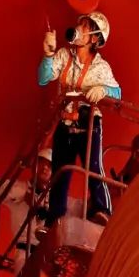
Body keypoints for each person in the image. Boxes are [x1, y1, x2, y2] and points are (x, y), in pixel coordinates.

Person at [38, 12, 120, 225]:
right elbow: (43, 79)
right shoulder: (64, 56)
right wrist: (48, 55)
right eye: (80, 24)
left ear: (95, 38)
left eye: (85, 27)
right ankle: (54, 220)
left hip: (89, 124)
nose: (79, 29)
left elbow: (118, 93)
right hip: (65, 124)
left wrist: (104, 90)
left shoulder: (101, 67)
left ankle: (103, 210)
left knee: (93, 168)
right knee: (60, 172)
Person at [2, 149, 52, 271]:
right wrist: (25, 195)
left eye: (50, 165)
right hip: (24, 251)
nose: (45, 168)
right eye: (42, 163)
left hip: (47, 256)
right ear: (34, 165)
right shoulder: (20, 188)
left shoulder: (56, 199)